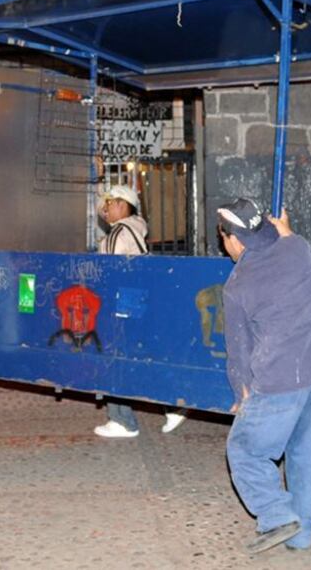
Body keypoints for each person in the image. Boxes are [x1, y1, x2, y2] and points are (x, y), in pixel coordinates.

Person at [218, 199, 311, 554]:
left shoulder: (237, 284)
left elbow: (238, 350)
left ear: (234, 240)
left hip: (278, 381)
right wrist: (289, 233)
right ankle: (300, 537)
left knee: (244, 450)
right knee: (307, 456)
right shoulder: (295, 248)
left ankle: (276, 516)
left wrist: (241, 393)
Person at [92, 185, 187, 438]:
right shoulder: (136, 229)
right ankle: (173, 404)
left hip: (123, 303)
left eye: (109, 203)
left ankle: (122, 420)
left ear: (123, 205)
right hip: (142, 300)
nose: (105, 209)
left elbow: (109, 273)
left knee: (116, 357)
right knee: (145, 355)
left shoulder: (117, 234)